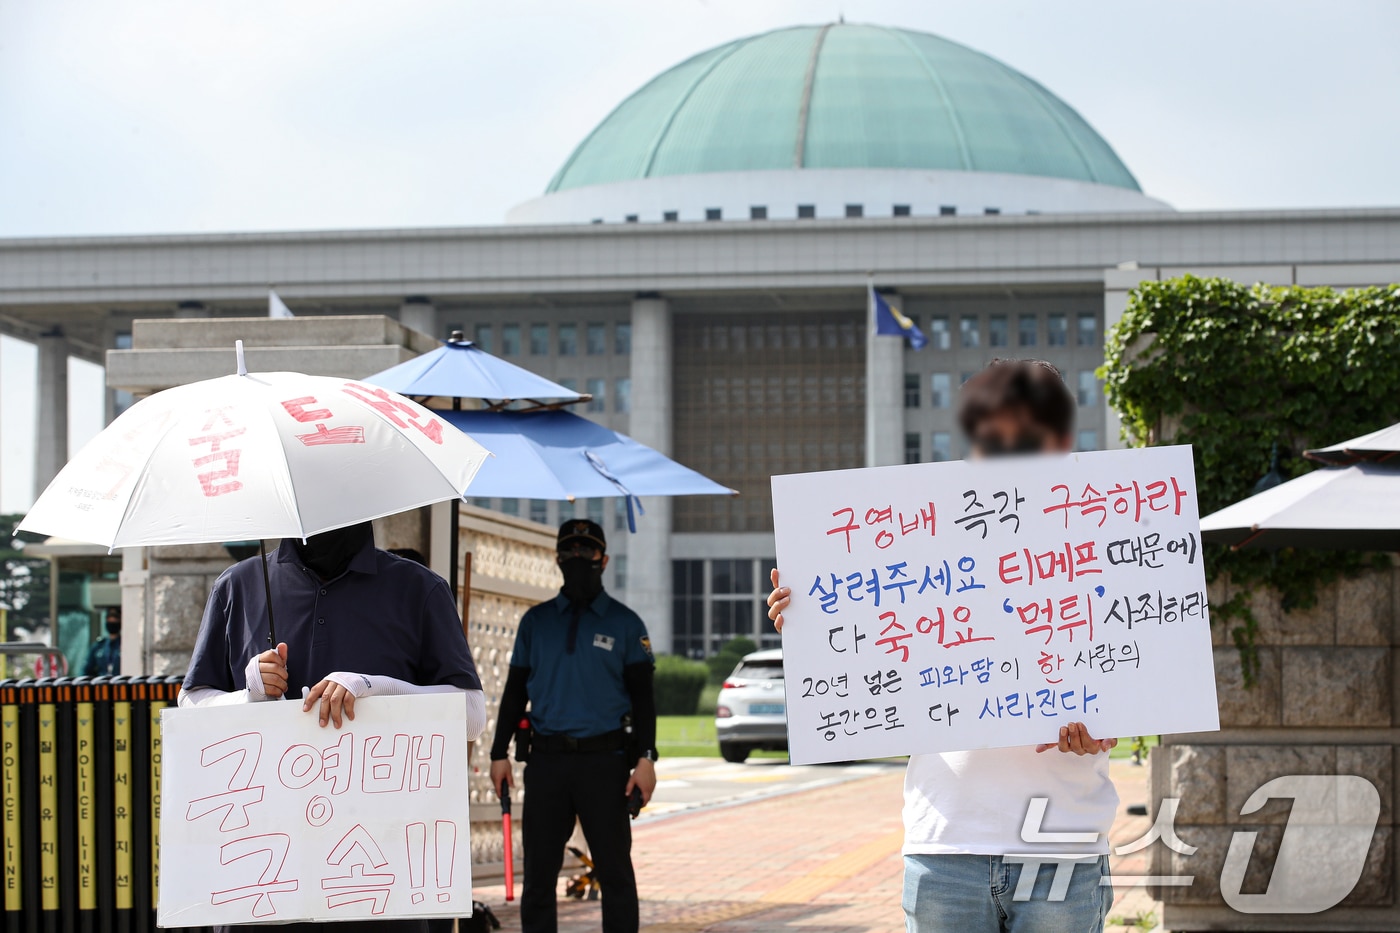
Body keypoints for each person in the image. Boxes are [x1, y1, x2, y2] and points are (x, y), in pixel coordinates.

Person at [767, 359, 1120, 933]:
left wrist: (1112, 721)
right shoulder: (918, 527)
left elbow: (1135, 668)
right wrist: (810, 621)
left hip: (1064, 844)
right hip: (947, 841)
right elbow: (868, 641)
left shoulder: (1104, 530)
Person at [181, 521, 488, 933]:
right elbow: (190, 705)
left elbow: (471, 716)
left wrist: (376, 687)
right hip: (262, 876)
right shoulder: (238, 586)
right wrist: (248, 695)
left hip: (379, 874)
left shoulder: (419, 588)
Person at [489, 519, 657, 933]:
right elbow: (513, 693)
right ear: (558, 558)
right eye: (571, 551)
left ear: (604, 559)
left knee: (616, 873)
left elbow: (644, 700)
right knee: (539, 877)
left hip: (607, 764)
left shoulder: (625, 624)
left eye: (587, 552)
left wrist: (647, 758)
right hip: (547, 763)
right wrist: (498, 753)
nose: (578, 559)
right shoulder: (536, 622)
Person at [83, 607, 122, 677]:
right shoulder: (99, 646)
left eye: (115, 618)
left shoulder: (124, 645)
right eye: (109, 618)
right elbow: (87, 670)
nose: (112, 621)